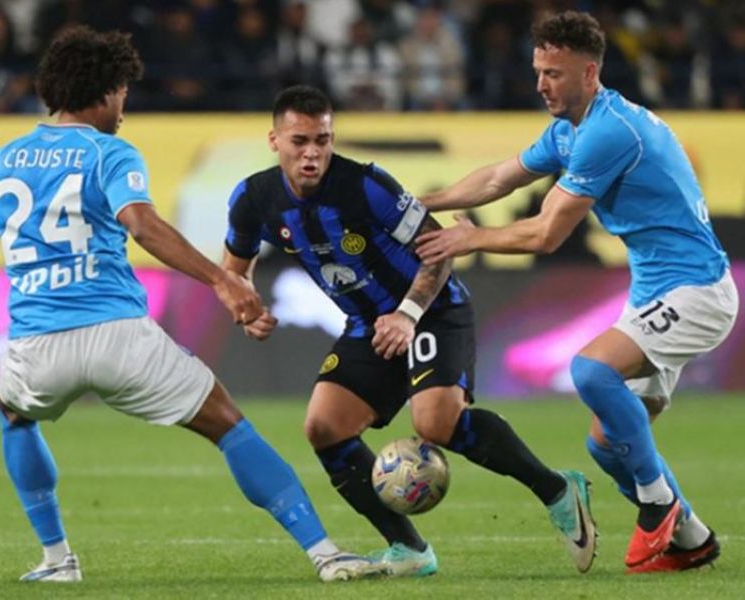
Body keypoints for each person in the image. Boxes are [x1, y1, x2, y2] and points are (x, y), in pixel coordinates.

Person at [0, 27, 384, 584]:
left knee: (14, 414)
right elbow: (143, 226)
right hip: (119, 335)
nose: (124, 108)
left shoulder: (0, 161)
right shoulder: (109, 152)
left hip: (37, 345)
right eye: (123, 92)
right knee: (229, 426)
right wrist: (220, 280)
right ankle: (325, 553)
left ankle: (57, 559)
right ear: (103, 92)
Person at [221, 84, 598, 577]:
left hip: (433, 310)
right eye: (299, 142)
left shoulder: (367, 185)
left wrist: (408, 314)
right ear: (275, 141)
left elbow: (438, 250)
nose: (312, 153)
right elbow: (234, 270)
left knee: (435, 424)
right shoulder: (253, 198)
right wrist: (246, 306)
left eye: (322, 140)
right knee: (324, 428)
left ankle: (557, 490)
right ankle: (409, 549)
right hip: (368, 326)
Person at [415, 11, 738, 574]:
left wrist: (470, 238)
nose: (542, 84)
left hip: (697, 290)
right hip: (656, 292)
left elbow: (546, 233)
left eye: (555, 74)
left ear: (590, 73)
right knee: (606, 446)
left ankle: (658, 504)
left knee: (590, 371)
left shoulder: (607, 132)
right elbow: (499, 179)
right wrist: (421, 204)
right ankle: (692, 538)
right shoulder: (569, 129)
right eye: (538, 71)